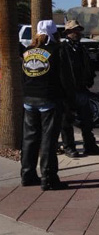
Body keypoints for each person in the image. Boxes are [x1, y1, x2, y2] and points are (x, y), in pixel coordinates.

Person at [21, 20, 68, 190]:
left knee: (29, 138)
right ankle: (48, 178)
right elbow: (64, 77)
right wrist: (68, 98)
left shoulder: (28, 51)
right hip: (49, 99)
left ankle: (27, 174)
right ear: (54, 34)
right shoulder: (57, 51)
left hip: (29, 99)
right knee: (48, 140)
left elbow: (24, 75)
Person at [59, 20, 99, 157]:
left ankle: (90, 145)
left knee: (87, 120)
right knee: (67, 120)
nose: (78, 32)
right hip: (68, 91)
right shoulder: (62, 49)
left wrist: (89, 78)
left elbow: (87, 65)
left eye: (78, 30)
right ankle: (69, 147)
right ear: (68, 32)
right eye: (75, 30)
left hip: (81, 89)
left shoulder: (81, 48)